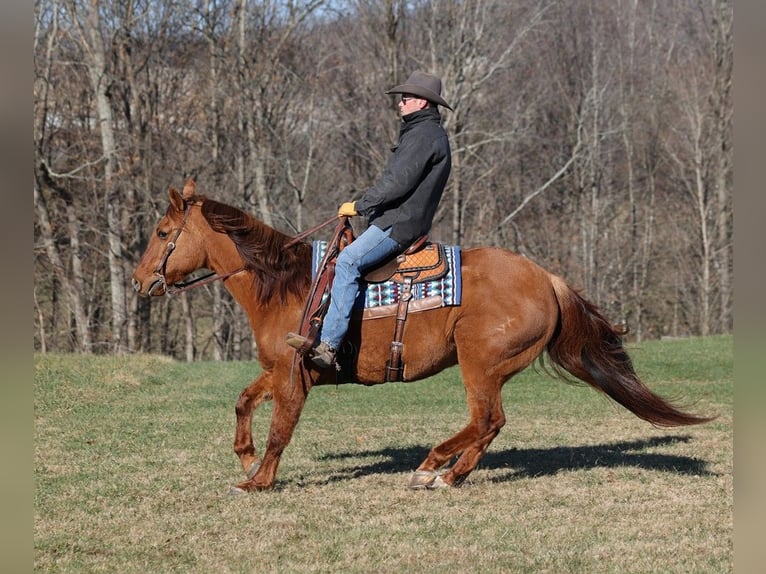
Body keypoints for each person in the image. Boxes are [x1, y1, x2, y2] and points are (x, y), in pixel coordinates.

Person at [286, 70, 453, 368]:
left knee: (348, 261)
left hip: (399, 223)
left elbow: (397, 182)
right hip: (400, 219)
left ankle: (329, 346)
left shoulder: (424, 137)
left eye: (407, 98)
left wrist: (360, 205)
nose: (400, 103)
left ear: (423, 103)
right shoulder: (422, 134)